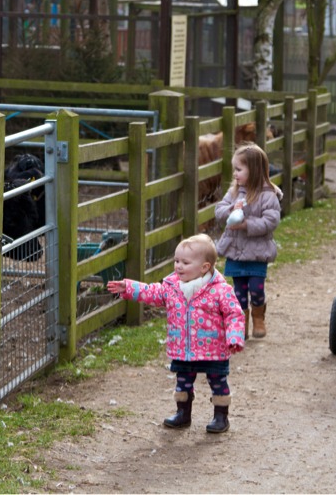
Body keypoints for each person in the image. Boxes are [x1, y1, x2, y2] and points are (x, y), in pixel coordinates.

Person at [107, 234, 244, 433]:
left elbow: (234, 314)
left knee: (218, 381)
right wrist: (128, 287)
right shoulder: (171, 287)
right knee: (183, 382)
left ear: (204, 267)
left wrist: (235, 337)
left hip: (213, 348)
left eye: (185, 263)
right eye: (176, 261)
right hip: (183, 348)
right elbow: (151, 292)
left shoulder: (220, 290)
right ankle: (183, 413)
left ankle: (221, 416)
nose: (178, 266)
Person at [215, 143, 282, 339]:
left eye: (239, 169)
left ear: (253, 170)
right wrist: (230, 209)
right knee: (239, 291)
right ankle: (240, 324)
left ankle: (258, 317)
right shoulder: (234, 193)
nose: (235, 174)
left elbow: (271, 221)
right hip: (236, 251)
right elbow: (219, 210)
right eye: (234, 169)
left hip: (257, 252)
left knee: (256, 288)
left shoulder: (268, 195)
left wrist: (246, 224)